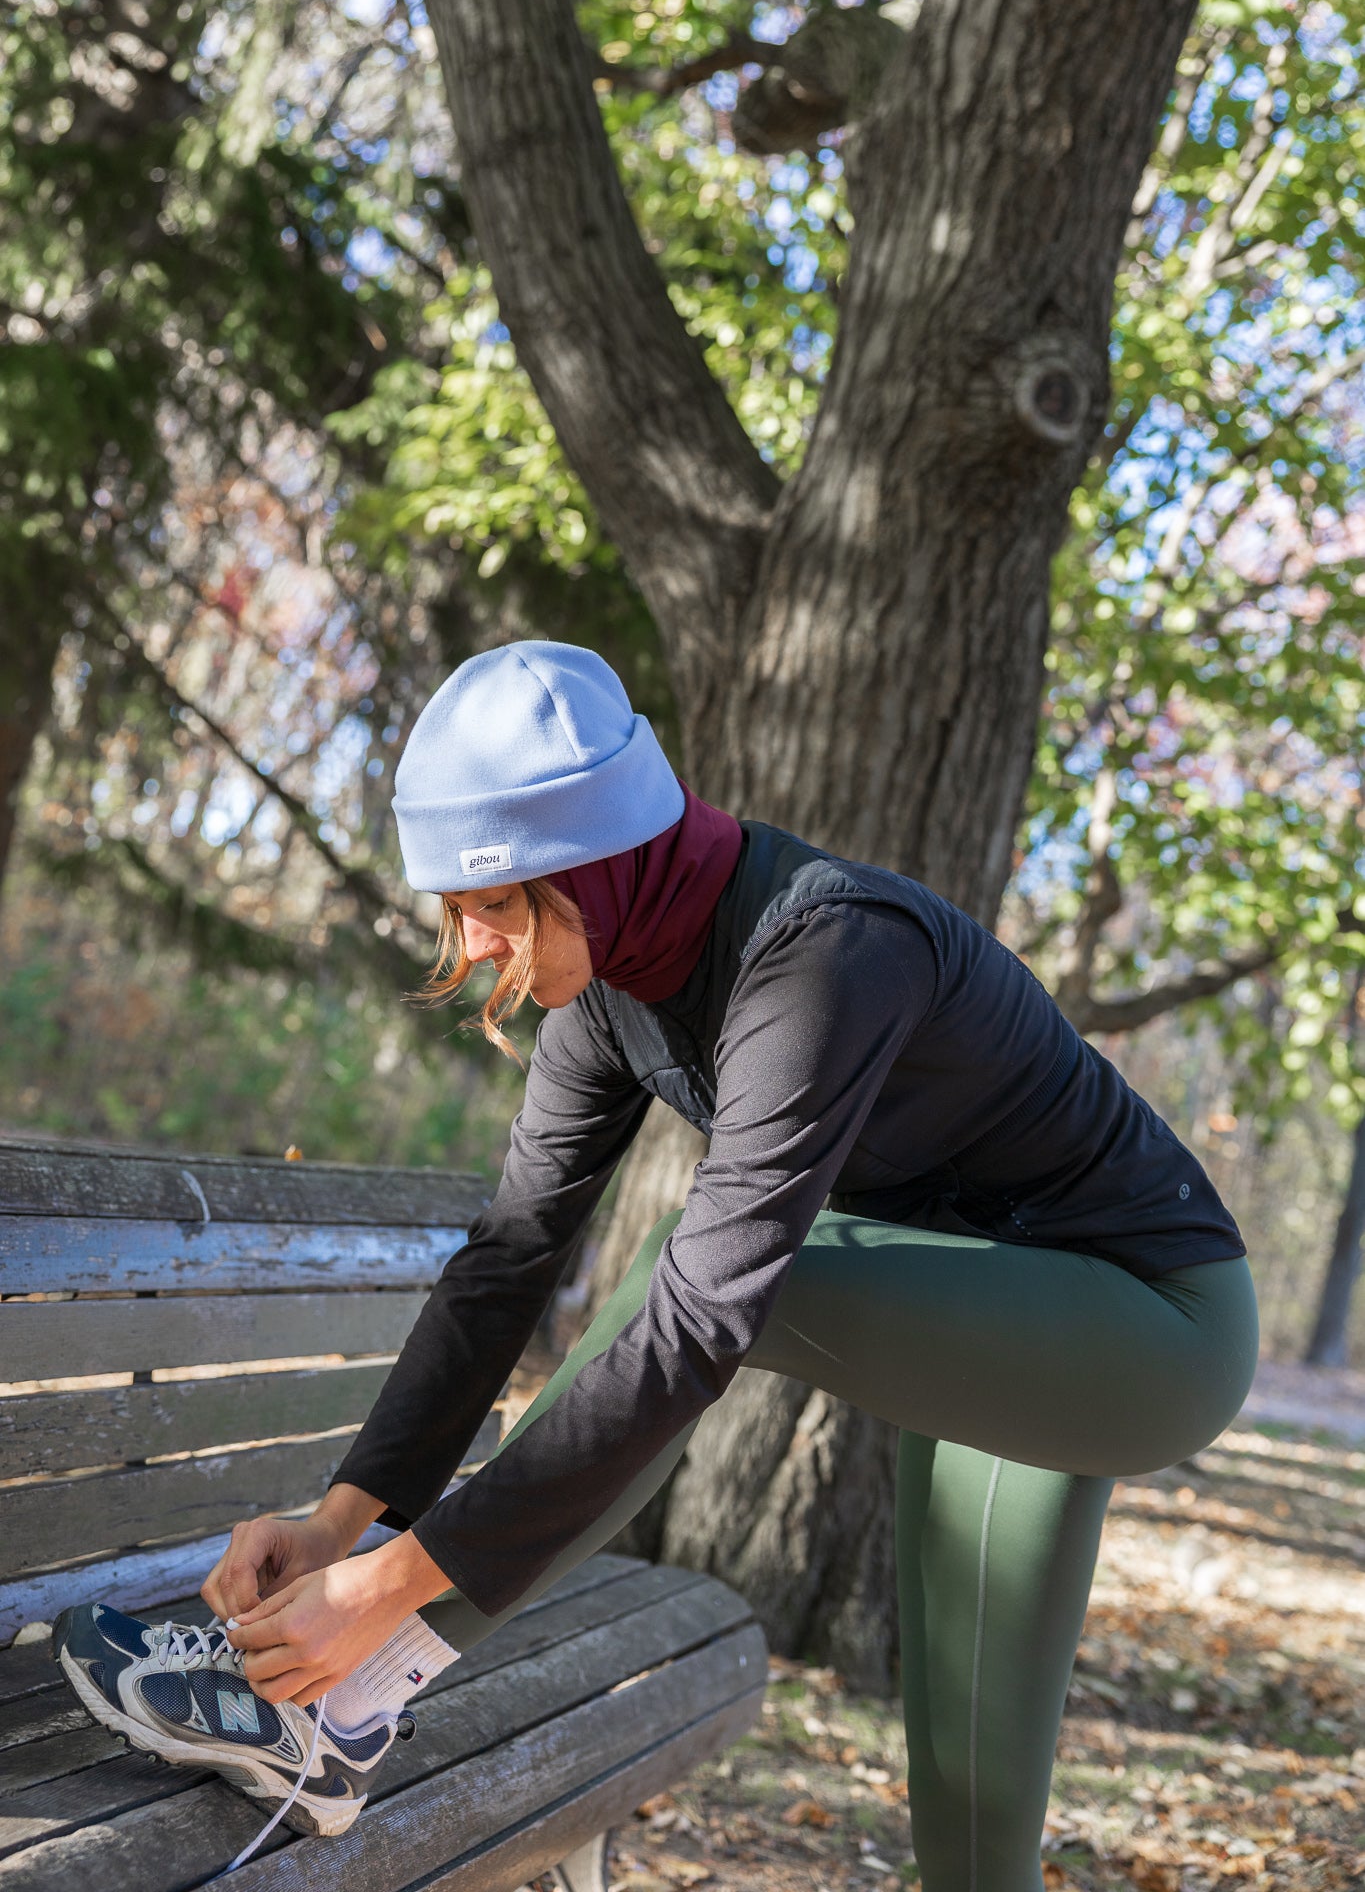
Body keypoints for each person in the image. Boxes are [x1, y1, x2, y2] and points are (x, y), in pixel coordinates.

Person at [55, 641, 1258, 1889]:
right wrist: (339, 1520)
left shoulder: (830, 952)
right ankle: (352, 1682)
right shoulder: (605, 982)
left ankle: (347, 1706)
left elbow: (698, 1325)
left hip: (1150, 1328)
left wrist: (386, 1595)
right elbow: (510, 1258)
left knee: (722, 1286)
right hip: (988, 1309)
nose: (468, 946)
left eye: (495, 902)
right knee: (974, 1801)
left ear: (598, 862)